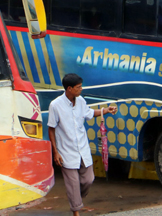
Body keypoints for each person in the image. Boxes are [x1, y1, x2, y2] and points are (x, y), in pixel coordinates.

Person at [48, 74, 117, 216]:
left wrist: (106, 111)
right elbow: (51, 128)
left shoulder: (80, 101)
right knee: (73, 183)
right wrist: (55, 151)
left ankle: (76, 199)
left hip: (83, 149)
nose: (81, 89)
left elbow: (90, 113)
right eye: (78, 87)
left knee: (88, 180)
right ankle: (76, 211)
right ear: (69, 88)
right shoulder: (55, 105)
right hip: (66, 151)